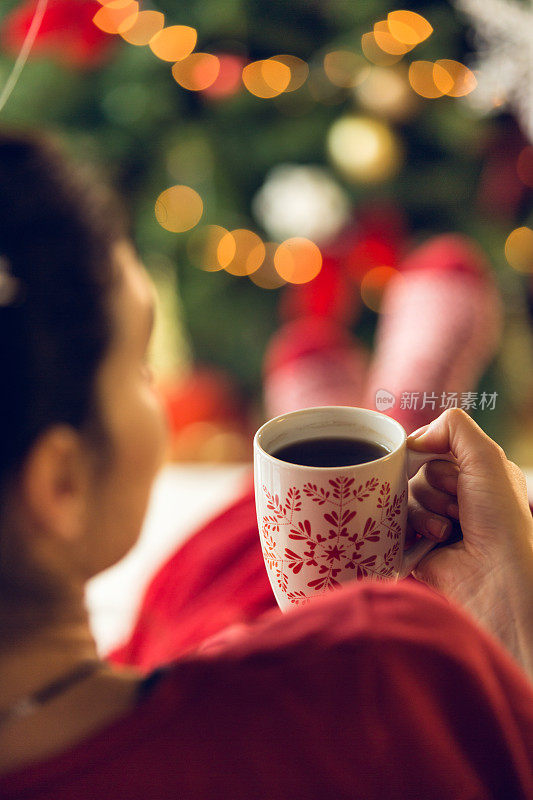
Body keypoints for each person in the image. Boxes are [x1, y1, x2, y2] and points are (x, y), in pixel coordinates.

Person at [0, 126, 532, 799]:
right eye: (139, 367)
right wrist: (513, 627)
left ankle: (370, 423)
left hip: (162, 647)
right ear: (61, 482)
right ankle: (389, 420)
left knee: (239, 561)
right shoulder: (388, 671)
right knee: (268, 556)